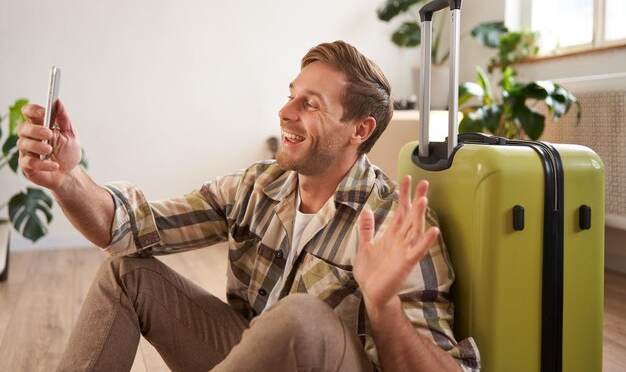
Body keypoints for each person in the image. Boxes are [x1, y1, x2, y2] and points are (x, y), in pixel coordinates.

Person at [16, 41, 480, 372]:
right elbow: (130, 227)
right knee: (127, 273)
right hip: (249, 358)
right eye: (290, 94)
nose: (285, 111)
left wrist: (382, 308)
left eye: (310, 104)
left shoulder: (394, 224)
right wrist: (68, 178)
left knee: (302, 316)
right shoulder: (257, 185)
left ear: (359, 130)